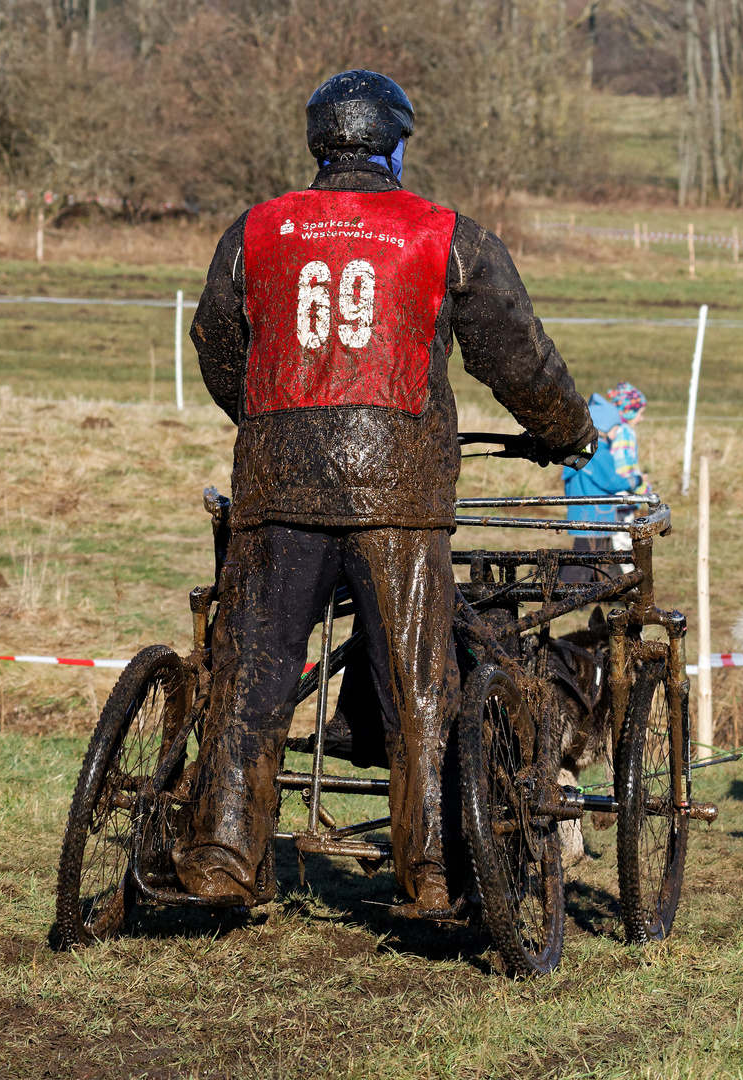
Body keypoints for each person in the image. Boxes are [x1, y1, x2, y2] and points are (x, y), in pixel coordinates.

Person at [176, 70, 596, 918]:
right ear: (397, 146)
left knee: (251, 674)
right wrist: (567, 430)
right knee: (419, 684)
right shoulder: (445, 234)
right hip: (397, 493)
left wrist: (268, 419)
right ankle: (432, 871)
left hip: (275, 481)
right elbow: (516, 350)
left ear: (317, 143)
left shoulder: (255, 231)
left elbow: (217, 342)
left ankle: (220, 857)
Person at [560, 382, 648, 582]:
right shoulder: (599, 452)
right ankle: (565, 593)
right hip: (595, 516)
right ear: (605, 427)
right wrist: (636, 480)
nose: (617, 433)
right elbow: (612, 481)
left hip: (588, 515)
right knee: (583, 560)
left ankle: (608, 592)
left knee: (600, 557)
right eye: (616, 428)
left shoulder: (584, 450)